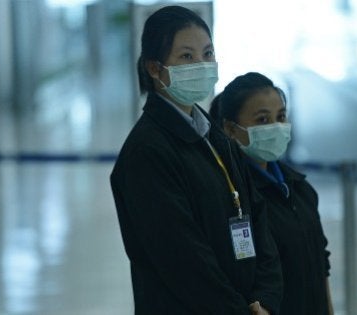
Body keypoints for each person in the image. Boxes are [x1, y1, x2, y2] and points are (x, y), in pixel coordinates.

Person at [110, 7, 282, 315]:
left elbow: (257, 217)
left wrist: (265, 298)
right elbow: (182, 259)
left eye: (207, 53)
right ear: (154, 68)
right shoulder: (147, 152)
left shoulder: (213, 136)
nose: (201, 65)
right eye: (186, 57)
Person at [209, 72, 334, 315]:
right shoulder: (232, 197)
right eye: (262, 120)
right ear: (230, 128)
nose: (275, 127)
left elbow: (322, 267)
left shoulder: (299, 189)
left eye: (281, 117)